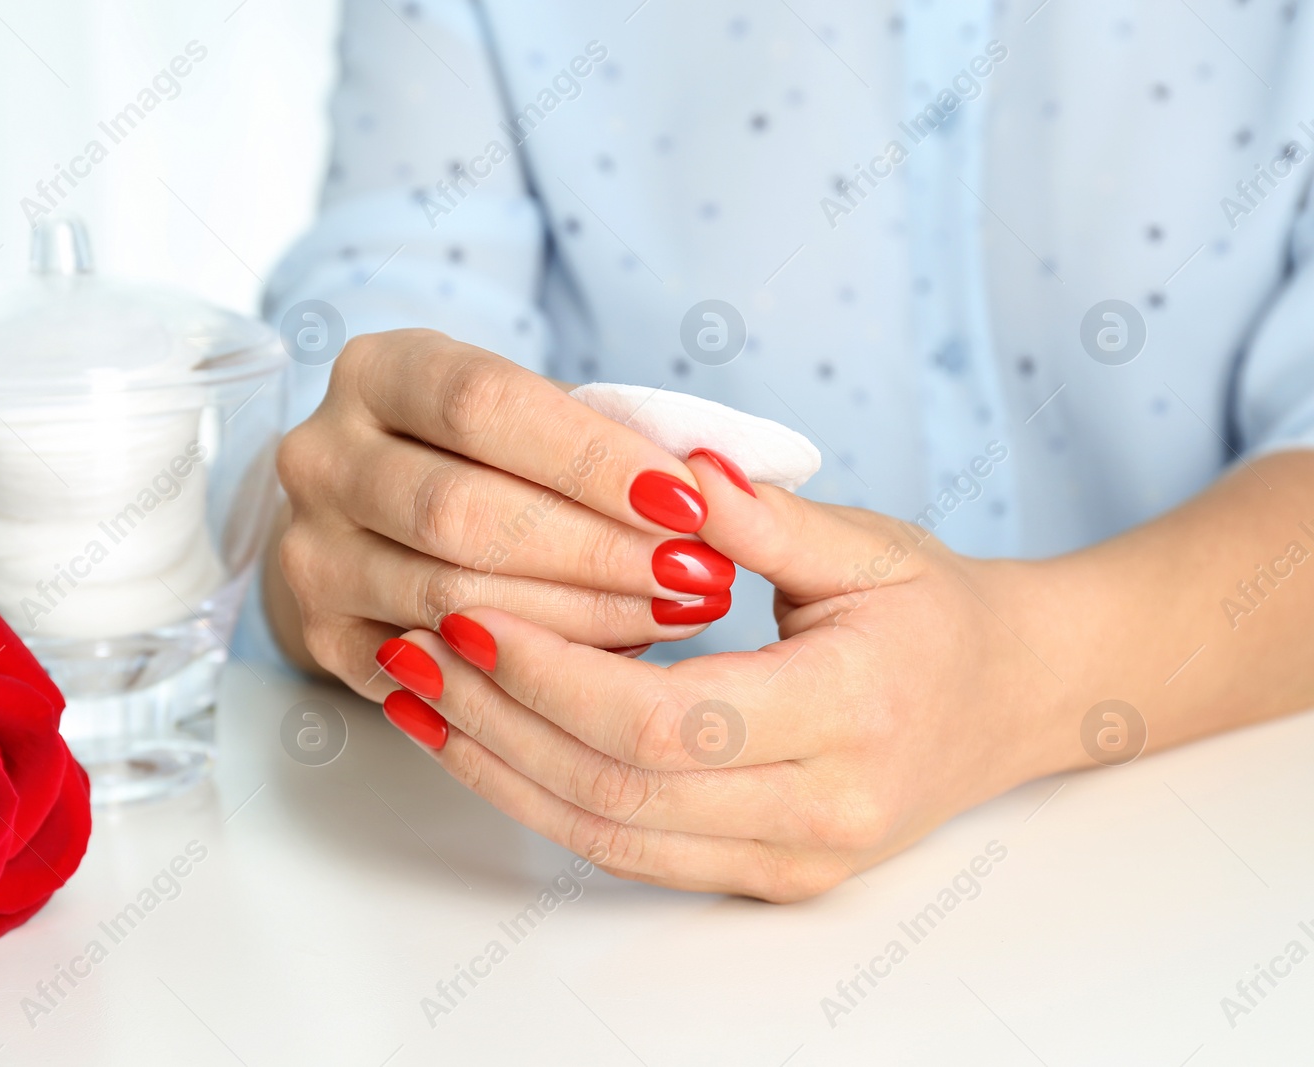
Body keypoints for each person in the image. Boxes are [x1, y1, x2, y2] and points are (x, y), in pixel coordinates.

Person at [256, 1, 1314, 900]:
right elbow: (357, 360)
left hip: (1221, 890)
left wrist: (1017, 671)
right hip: (588, 908)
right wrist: (355, 533)